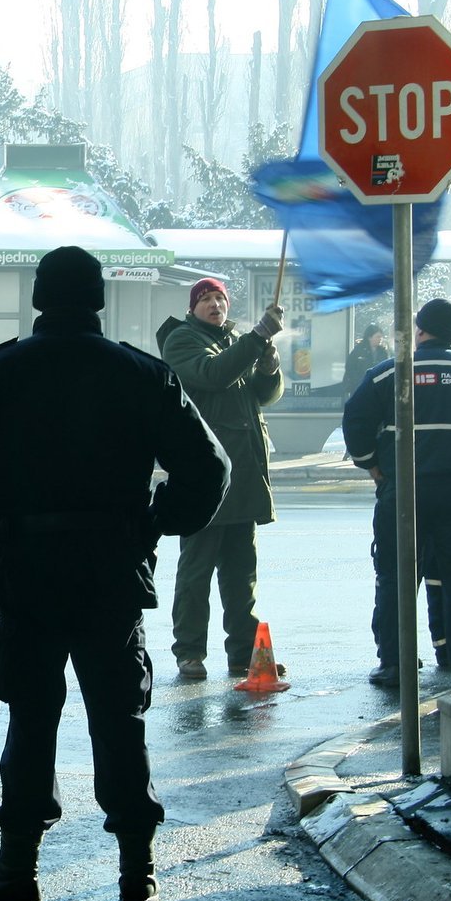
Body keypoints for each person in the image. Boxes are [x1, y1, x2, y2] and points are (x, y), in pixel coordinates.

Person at [0, 246, 229, 901]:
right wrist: (154, 526)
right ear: (98, 299)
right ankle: (136, 871)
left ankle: (18, 871)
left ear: (39, 297)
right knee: (119, 717)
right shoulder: (139, 373)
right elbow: (209, 470)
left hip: (26, 569)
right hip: (110, 570)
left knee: (31, 717)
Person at [342, 297, 451, 686]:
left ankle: (395, 663)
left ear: (420, 330)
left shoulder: (388, 374)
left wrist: (372, 466)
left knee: (396, 577)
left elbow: (355, 421)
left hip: (404, 496)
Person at [156, 277, 285, 680]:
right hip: (206, 477)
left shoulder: (233, 343)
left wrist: (269, 365)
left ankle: (244, 653)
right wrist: (257, 338)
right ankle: (190, 651)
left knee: (241, 574)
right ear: (193, 307)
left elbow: (263, 396)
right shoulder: (182, 341)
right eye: (207, 299)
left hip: (244, 476)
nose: (215, 305)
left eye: (220, 299)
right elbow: (213, 375)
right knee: (197, 571)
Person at [342, 322, 389, 396]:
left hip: (377, 388)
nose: (380, 339)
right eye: (378, 337)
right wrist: (359, 381)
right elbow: (349, 367)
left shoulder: (383, 352)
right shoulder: (358, 350)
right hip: (359, 387)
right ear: (369, 337)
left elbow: (386, 368)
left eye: (381, 337)